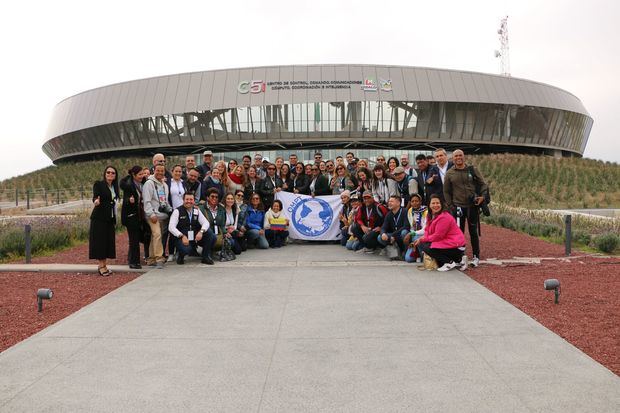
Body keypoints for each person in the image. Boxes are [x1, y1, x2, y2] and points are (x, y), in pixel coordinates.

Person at [443, 149, 489, 268]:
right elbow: (446, 191)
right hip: (457, 207)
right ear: (452, 159)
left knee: (473, 232)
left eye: (460, 155)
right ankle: (460, 256)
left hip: (472, 206)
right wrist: (450, 205)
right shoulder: (450, 173)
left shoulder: (472, 170)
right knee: (459, 233)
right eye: (456, 156)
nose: (458, 158)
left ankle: (476, 256)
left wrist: (482, 197)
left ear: (464, 157)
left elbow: (483, 184)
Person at [413, 194, 466, 271]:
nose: (435, 205)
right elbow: (427, 230)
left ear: (441, 204)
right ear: (429, 205)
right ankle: (459, 260)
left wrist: (422, 239)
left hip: (457, 245)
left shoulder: (444, 217)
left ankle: (450, 262)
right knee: (437, 259)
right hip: (447, 243)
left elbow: (438, 236)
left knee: (426, 245)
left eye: (438, 203)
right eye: (433, 203)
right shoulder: (430, 215)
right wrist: (423, 238)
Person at [168, 192, 215, 265]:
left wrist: (201, 231)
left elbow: (206, 223)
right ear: (183, 200)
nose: (189, 201)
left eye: (191, 199)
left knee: (211, 235)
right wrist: (181, 236)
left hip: (194, 237)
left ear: (194, 201)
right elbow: (171, 227)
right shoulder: (177, 211)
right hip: (182, 238)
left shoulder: (196, 210)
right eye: (187, 199)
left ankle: (205, 257)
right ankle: (181, 255)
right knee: (186, 250)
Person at [89, 166, 120, 276]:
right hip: (99, 218)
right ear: (105, 173)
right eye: (108, 172)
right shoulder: (99, 184)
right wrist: (96, 201)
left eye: (113, 173)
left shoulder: (114, 187)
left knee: (108, 242)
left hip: (110, 219)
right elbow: (95, 196)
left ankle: (104, 265)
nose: (110, 174)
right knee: (100, 242)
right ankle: (101, 266)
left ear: (115, 175)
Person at [142, 163, 171, 269]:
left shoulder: (165, 185)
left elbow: (165, 201)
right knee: (157, 234)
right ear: (154, 170)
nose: (160, 173)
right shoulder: (149, 184)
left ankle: (151, 259)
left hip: (162, 215)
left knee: (155, 237)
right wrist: (151, 214)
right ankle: (159, 258)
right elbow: (147, 201)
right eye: (157, 170)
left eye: (162, 171)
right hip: (152, 215)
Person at [120, 166, 146, 269]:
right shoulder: (129, 185)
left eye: (142, 174)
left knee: (138, 238)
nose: (141, 176)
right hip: (131, 216)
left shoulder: (143, 183)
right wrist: (129, 201)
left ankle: (132, 258)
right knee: (134, 240)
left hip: (140, 215)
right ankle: (134, 262)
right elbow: (126, 199)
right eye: (139, 174)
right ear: (133, 175)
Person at [378, 195, 410, 259]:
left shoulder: (405, 211)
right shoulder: (389, 214)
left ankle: (405, 250)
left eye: (392, 201)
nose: (389, 203)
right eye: (389, 201)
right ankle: (395, 251)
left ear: (398, 203)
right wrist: (383, 233)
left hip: (401, 235)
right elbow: (383, 227)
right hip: (394, 236)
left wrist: (393, 235)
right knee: (380, 237)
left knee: (404, 232)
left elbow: (406, 226)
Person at [166, 164, 185, 261]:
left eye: (180, 171)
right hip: (172, 210)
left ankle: (179, 252)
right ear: (172, 172)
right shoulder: (168, 182)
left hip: (182, 211)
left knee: (180, 231)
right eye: (176, 171)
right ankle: (170, 253)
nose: (178, 173)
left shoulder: (183, 183)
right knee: (172, 232)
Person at [403, 194, 428, 263]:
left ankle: (422, 256)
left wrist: (411, 233)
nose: (414, 203)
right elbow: (411, 227)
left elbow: (424, 230)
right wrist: (411, 233)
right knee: (408, 259)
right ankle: (413, 251)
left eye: (416, 201)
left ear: (420, 202)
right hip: (415, 234)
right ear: (410, 203)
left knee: (415, 237)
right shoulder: (410, 211)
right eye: (412, 201)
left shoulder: (426, 212)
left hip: (424, 235)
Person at [201, 187, 226, 253]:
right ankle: (207, 252)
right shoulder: (201, 208)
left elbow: (222, 224)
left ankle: (215, 249)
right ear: (207, 197)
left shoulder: (221, 208)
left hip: (219, 233)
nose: (214, 198)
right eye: (212, 196)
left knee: (232, 243)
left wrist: (225, 233)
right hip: (206, 234)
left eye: (216, 197)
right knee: (212, 237)